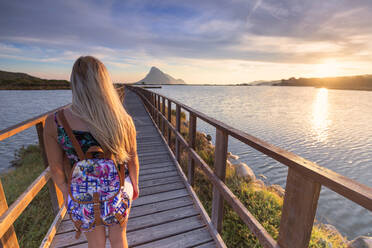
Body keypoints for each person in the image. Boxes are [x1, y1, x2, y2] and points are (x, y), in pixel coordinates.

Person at [43, 56, 139, 248]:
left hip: (83, 194)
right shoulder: (123, 119)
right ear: (104, 84)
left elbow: (55, 168)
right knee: (119, 237)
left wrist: (68, 193)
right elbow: (132, 159)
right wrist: (134, 185)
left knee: (95, 243)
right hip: (117, 191)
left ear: (75, 84)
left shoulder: (55, 121)